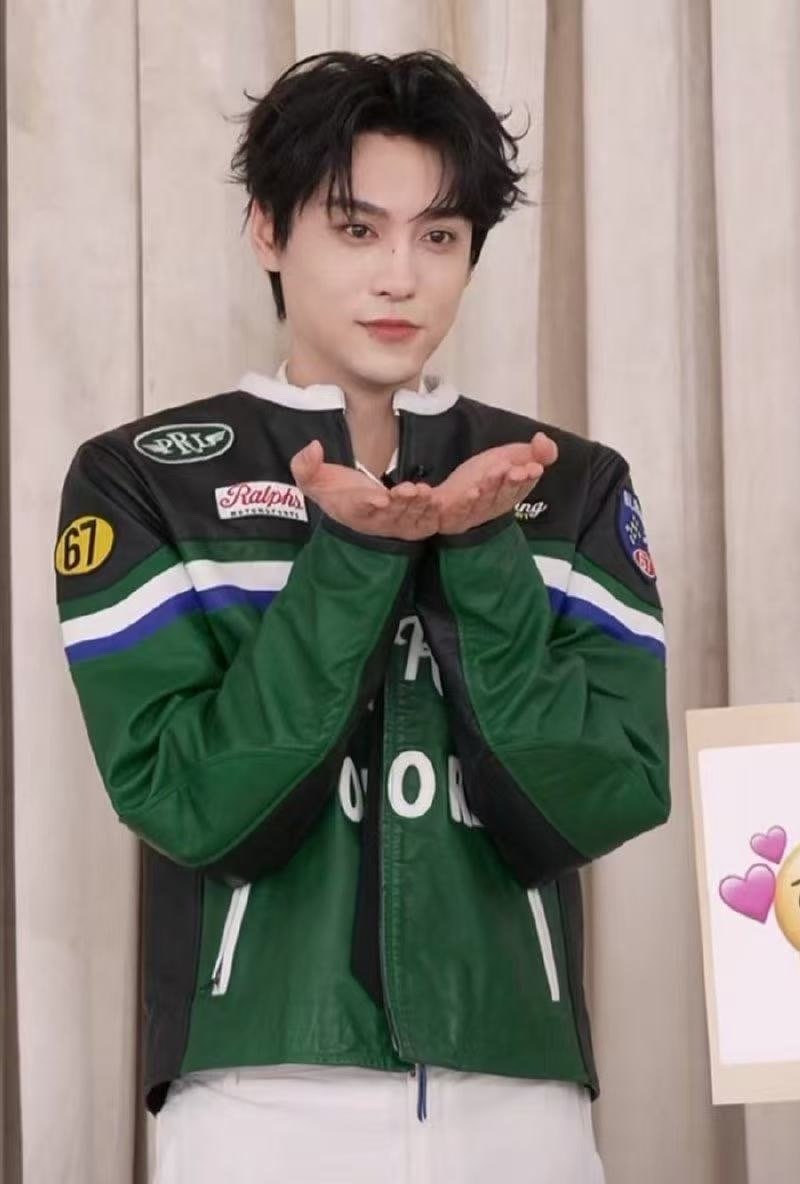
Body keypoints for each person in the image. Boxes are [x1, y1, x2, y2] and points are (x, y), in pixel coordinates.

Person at [53, 50, 670, 1183]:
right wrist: (356, 556)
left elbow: (599, 797)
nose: (400, 275)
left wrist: (480, 549)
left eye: (439, 235)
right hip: (256, 1094)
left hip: (521, 1094)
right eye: (356, 228)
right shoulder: (143, 477)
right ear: (268, 230)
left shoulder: (570, 482)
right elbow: (197, 806)